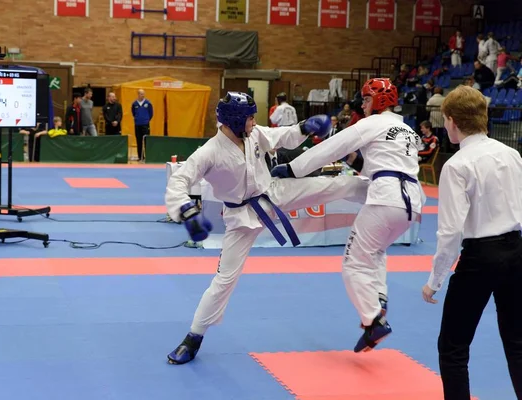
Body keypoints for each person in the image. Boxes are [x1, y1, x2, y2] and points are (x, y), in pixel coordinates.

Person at [165, 92, 370, 365]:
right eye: (250, 117)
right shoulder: (210, 152)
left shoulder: (254, 135)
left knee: (331, 185)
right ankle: (193, 337)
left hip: (272, 194)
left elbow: (282, 136)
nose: (254, 121)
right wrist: (188, 212)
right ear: (236, 120)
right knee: (224, 281)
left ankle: (382, 191)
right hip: (240, 217)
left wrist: (303, 127)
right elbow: (179, 181)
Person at [271, 78, 425, 353]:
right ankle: (378, 298)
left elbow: (333, 147)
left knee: (353, 263)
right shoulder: (407, 130)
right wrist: (352, 161)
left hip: (386, 196)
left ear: (378, 100)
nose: (363, 105)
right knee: (375, 250)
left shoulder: (372, 123)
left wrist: (293, 168)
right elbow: (379, 165)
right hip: (412, 201)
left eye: (366, 100)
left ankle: (373, 320)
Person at [421, 85, 522, 400]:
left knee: (452, 347)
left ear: (450, 121)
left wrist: (434, 281)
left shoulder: (457, 166)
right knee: (518, 344)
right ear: (484, 117)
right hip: (516, 251)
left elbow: (450, 232)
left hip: (480, 258)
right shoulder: (512, 154)